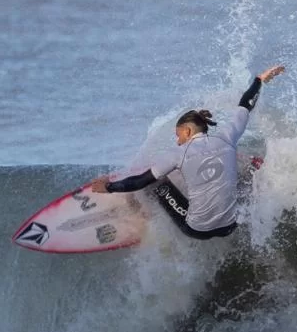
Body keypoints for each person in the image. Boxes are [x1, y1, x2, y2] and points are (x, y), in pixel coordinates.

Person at [91, 64, 285, 240]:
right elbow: (245, 104)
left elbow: (139, 181)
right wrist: (259, 80)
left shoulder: (179, 153)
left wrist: (109, 187)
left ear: (187, 131)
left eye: (179, 135)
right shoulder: (227, 136)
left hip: (197, 229)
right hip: (230, 226)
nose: (178, 140)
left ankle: (139, 213)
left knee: (155, 179)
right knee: (241, 165)